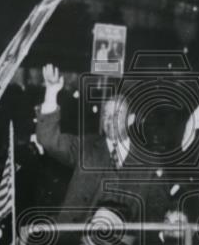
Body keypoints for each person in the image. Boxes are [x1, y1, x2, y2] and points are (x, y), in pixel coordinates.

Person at [36, 64, 171, 224]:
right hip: (76, 242)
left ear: (130, 120)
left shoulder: (149, 164)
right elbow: (48, 139)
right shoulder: (85, 147)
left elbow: (155, 215)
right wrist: (51, 92)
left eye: (117, 115)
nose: (109, 120)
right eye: (106, 115)